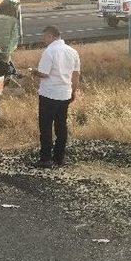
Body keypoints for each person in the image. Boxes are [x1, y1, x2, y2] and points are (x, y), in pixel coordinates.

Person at [30, 26, 80, 168]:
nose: (43, 40)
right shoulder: (73, 51)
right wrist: (73, 91)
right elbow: (76, 74)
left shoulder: (50, 51)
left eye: (44, 37)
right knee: (61, 126)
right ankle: (59, 158)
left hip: (49, 94)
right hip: (65, 94)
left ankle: (45, 159)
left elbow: (44, 73)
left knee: (46, 127)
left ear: (51, 36)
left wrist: (33, 72)